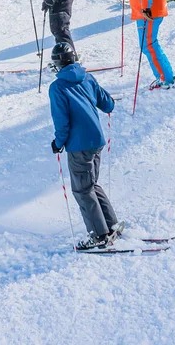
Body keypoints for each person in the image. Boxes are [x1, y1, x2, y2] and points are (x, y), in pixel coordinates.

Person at [48, 42, 122, 250]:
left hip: (79, 145)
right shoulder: (87, 76)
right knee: (91, 184)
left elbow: (61, 121)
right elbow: (107, 104)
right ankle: (111, 225)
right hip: (96, 141)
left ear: (58, 65)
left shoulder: (58, 87)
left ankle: (99, 235)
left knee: (82, 190)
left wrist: (58, 143)